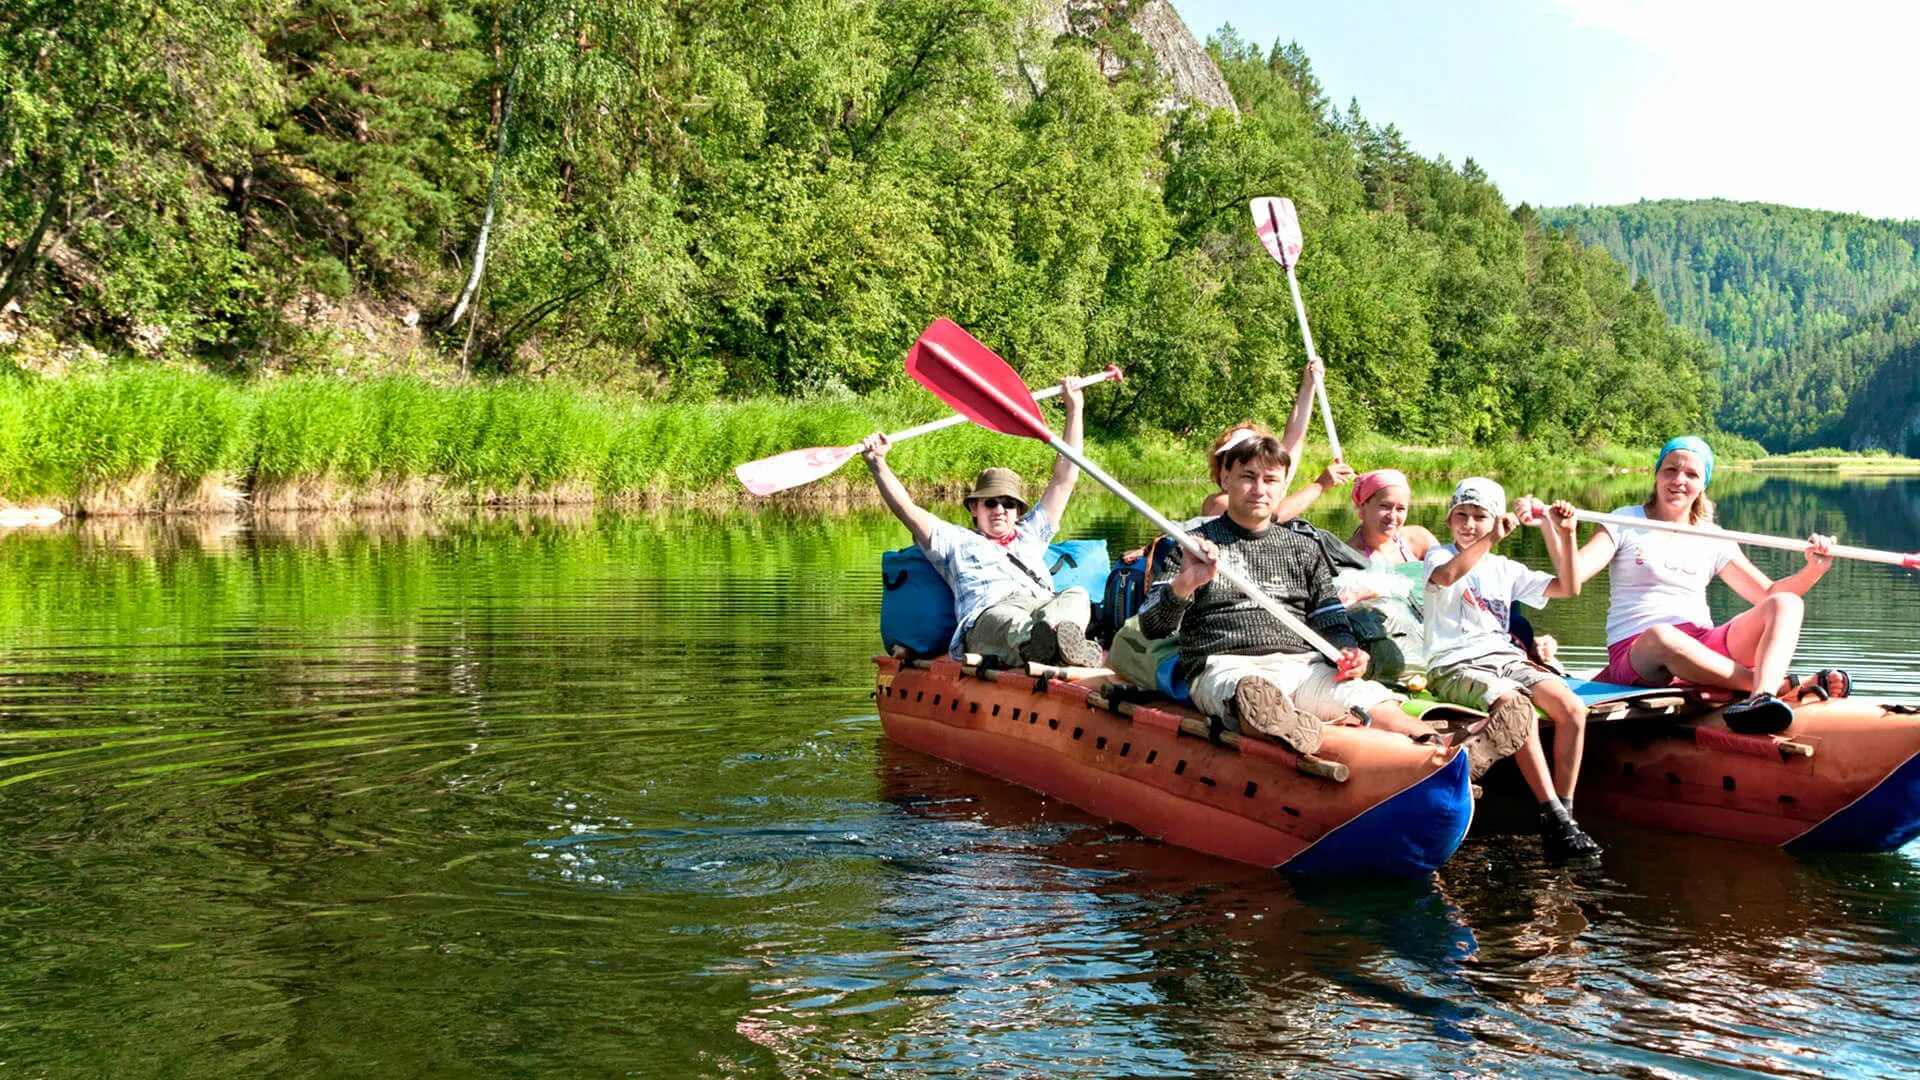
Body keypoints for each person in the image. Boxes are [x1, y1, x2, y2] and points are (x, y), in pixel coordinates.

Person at [1137, 431, 1434, 755]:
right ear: (1226, 477)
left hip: (1303, 667)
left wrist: (1348, 653)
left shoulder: (1304, 549)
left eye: (1271, 480)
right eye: (1248, 477)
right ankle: (1296, 735)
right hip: (1226, 667)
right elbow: (1153, 625)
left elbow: (1331, 621)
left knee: (1374, 702)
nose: (1260, 490)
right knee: (1252, 698)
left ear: (1282, 485)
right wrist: (1187, 583)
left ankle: (1441, 748)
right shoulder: (1192, 545)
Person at [1568, 435, 1843, 734]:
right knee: (1662, 636)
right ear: (1657, 475)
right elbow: (1574, 574)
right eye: (1670, 470)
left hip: (1701, 645)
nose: (1678, 480)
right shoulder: (1624, 520)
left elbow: (1767, 594)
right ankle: (1776, 684)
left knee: (1787, 603)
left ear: (1703, 484)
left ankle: (1761, 697)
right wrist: (1562, 533)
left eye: (1691, 474)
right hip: (1638, 651)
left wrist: (1814, 569)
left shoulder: (1713, 536)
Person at [861, 377, 1101, 668]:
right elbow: (906, 509)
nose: (1000, 509)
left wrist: (1075, 409)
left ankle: (1057, 639)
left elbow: (1065, 479)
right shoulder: (954, 541)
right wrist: (878, 464)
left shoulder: (1031, 533)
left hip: (1041, 606)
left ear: (1017, 510)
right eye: (990, 502)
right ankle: (1046, 645)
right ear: (974, 507)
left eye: (1009, 503)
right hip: (989, 616)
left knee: (1076, 595)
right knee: (1015, 623)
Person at [1423, 478, 1600, 860]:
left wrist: (1566, 534)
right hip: (1455, 663)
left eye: (1479, 517)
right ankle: (1550, 812)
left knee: (1572, 709)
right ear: (1449, 519)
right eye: (1462, 516)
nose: (1469, 524)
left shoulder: (1505, 568)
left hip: (1505, 658)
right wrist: (1490, 539)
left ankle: (1564, 813)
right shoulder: (1438, 556)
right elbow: (1448, 577)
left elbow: (1568, 588)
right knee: (1517, 710)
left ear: (1494, 519)